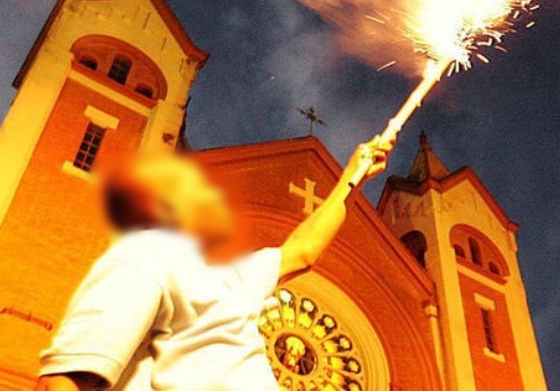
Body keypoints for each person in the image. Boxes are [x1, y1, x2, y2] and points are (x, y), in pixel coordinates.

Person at [36, 134, 394, 391]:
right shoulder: (145, 256)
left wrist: (353, 176)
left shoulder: (233, 280)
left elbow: (303, 250)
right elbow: (65, 379)